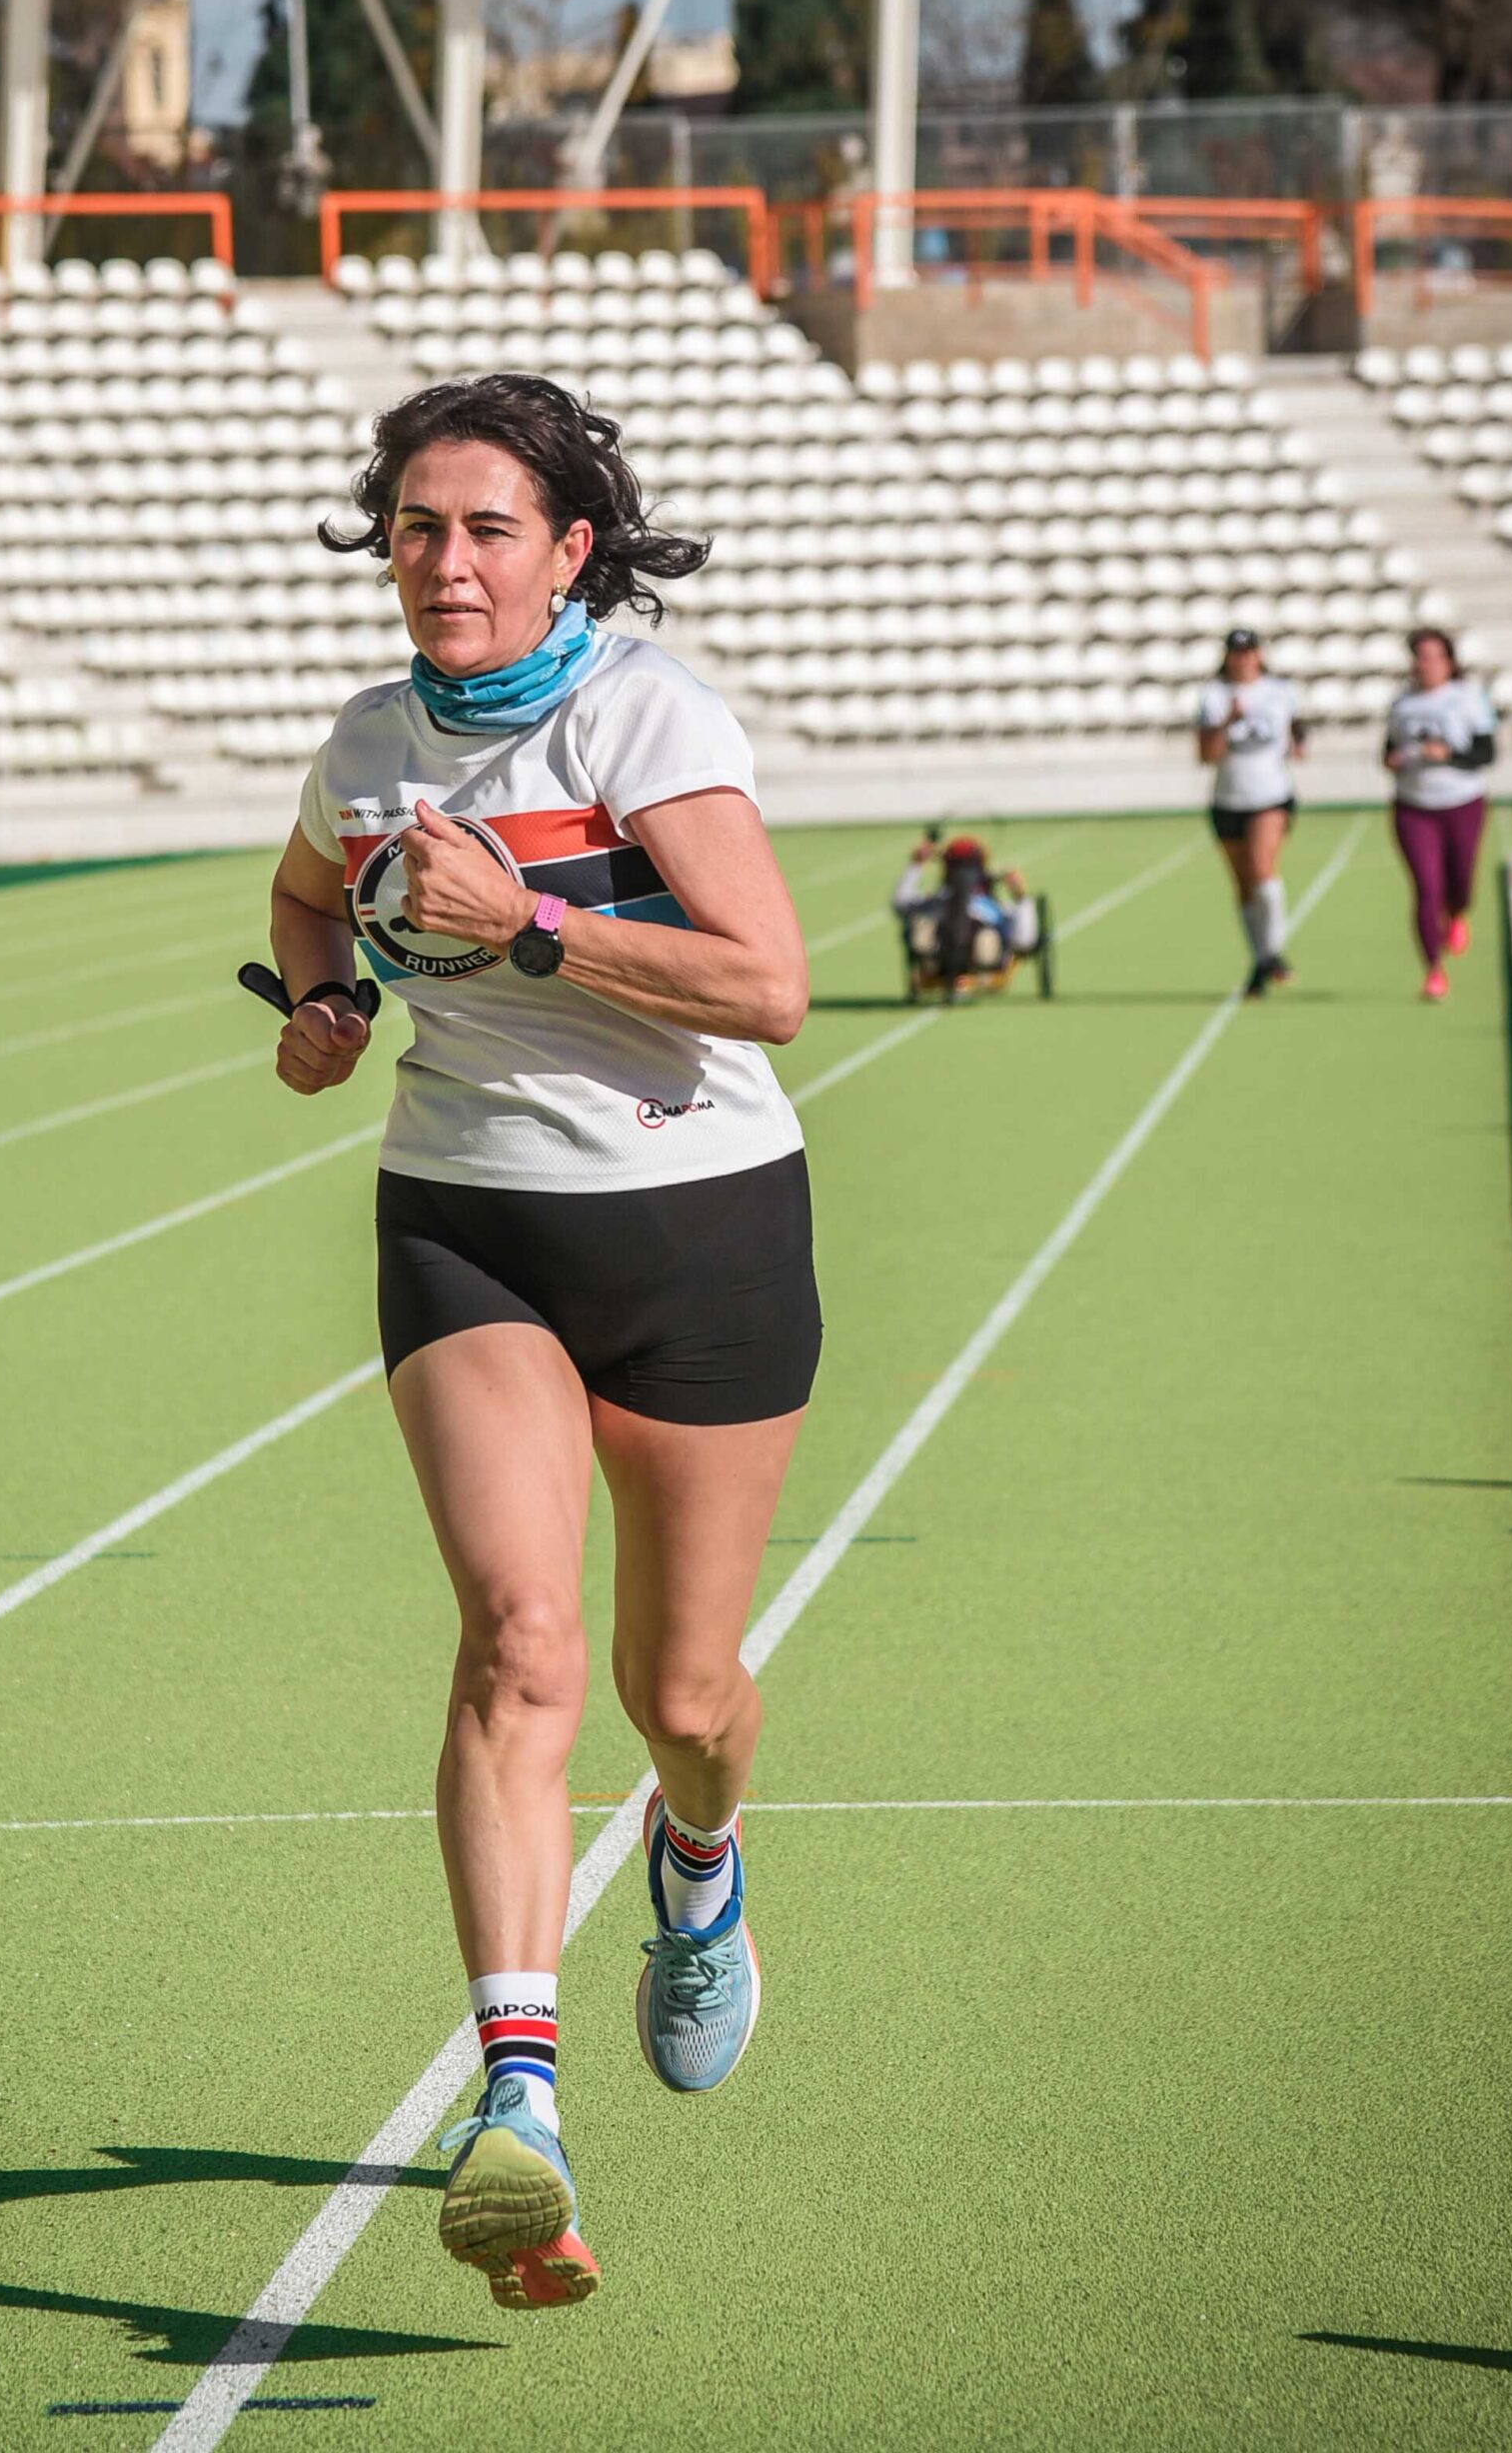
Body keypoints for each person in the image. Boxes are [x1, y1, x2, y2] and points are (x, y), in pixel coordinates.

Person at [260, 374, 818, 2313]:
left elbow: (773, 983)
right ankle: (521, 2107)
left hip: (700, 1228)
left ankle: (697, 1849)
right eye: (417, 526)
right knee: (516, 1642)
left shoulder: (640, 715)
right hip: (466, 1217)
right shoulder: (363, 744)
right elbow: (306, 898)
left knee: (683, 1690)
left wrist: (533, 929)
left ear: (569, 547)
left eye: (488, 526)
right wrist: (322, 1009)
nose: (447, 560)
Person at [1384, 626, 1497, 1001]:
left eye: (1434, 656)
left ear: (1449, 661)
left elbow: (1486, 753)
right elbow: (1387, 750)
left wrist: (1447, 755)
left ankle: (1459, 911)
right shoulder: (1402, 705)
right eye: (1420, 657)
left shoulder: (1468, 697)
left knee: (1460, 879)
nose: (1426, 664)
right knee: (1427, 887)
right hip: (1414, 806)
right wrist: (1394, 760)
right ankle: (1433, 969)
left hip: (1462, 801)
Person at [1194, 628, 1305, 999]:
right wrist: (1226, 722)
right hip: (1228, 798)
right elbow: (1206, 755)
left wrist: (1298, 745)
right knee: (1243, 886)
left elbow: (1296, 729)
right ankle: (1260, 959)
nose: (1243, 659)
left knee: (1262, 870)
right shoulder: (1213, 696)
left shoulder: (1279, 691)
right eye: (1236, 653)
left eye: (1249, 652)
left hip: (1270, 795)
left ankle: (1272, 952)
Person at [890, 832, 1039, 991]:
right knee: (923, 930)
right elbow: (1025, 939)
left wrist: (915, 865)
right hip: (952, 957)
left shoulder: (937, 903)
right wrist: (1021, 898)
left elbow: (901, 903)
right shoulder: (989, 907)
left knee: (984, 939)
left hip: (978, 955)